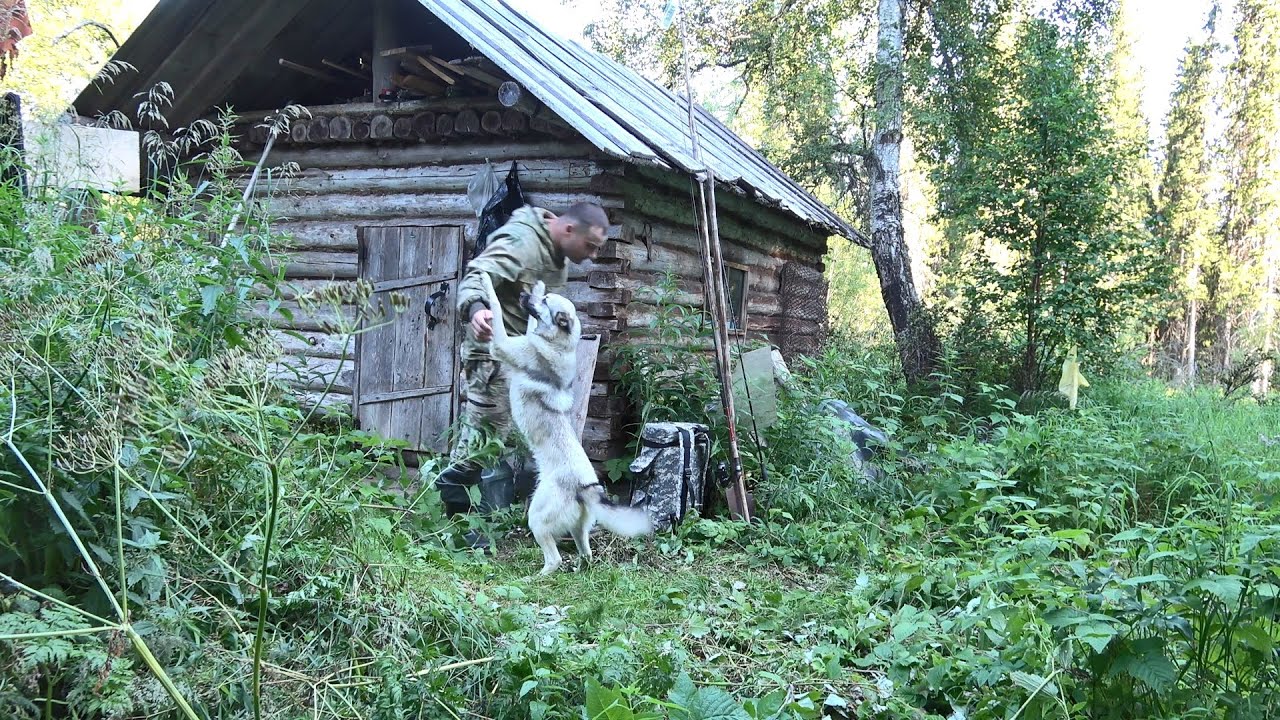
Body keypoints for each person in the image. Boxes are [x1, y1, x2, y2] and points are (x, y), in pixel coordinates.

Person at [437, 201, 610, 550]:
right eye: (590, 246)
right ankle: (462, 528)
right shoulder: (523, 241)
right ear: (568, 229)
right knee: (486, 441)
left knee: (526, 440)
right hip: (493, 357)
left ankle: (540, 519)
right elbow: (476, 275)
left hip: (524, 358)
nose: (592, 256)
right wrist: (476, 310)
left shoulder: (556, 253)